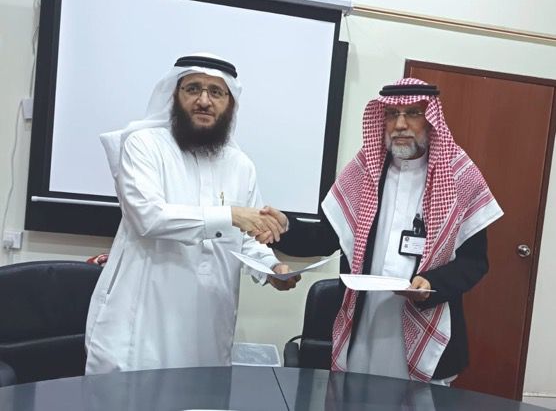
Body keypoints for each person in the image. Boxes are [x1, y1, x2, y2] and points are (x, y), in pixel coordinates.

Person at [271, 78, 503, 384]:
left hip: (426, 324)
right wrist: (284, 227)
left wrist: (433, 283)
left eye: (413, 113)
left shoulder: (460, 178)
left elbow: (474, 262)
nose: (400, 124)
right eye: (392, 114)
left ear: (431, 119)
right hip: (365, 326)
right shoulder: (362, 172)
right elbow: (325, 238)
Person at [85, 53, 297, 374]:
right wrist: (230, 215)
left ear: (230, 103)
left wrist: (271, 268)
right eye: (193, 89)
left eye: (216, 92)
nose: (204, 101)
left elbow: (246, 238)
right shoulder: (144, 145)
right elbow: (148, 218)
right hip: (141, 326)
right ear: (174, 95)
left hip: (206, 328)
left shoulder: (240, 166)